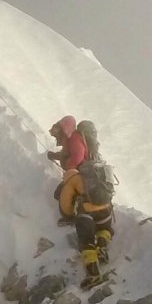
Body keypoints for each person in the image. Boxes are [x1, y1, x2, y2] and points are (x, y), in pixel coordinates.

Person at [49, 116, 113, 286]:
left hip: (87, 212)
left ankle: (93, 275)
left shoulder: (73, 176)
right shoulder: (97, 168)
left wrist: (68, 215)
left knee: (86, 241)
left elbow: (65, 200)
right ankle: (103, 247)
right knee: (103, 229)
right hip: (107, 210)